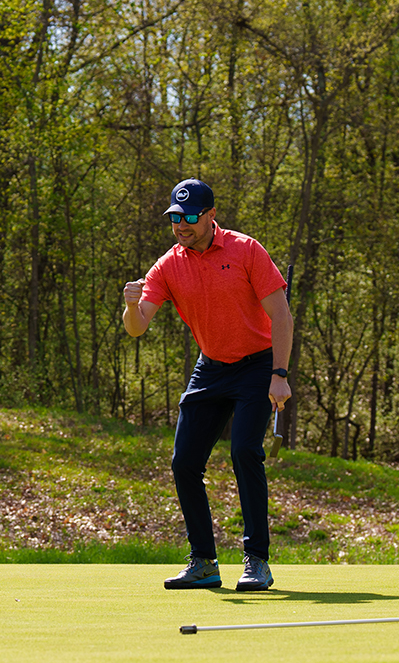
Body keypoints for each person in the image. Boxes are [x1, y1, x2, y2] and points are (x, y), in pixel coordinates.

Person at [122, 179, 293, 592]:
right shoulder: (167, 265)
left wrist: (280, 374)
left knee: (244, 452)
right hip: (211, 367)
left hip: (257, 365)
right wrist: (130, 305)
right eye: (175, 218)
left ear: (211, 215)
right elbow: (137, 328)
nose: (181, 225)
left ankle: (257, 562)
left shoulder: (246, 250)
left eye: (189, 217)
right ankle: (203, 562)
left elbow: (282, 317)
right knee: (184, 462)